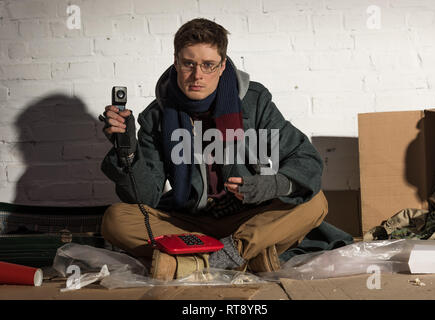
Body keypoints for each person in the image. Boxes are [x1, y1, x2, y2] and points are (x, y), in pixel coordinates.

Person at [100, 18, 328, 280]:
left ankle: (208, 257)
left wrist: (272, 185)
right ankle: (248, 255)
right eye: (189, 64)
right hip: (190, 221)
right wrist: (126, 149)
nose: (197, 75)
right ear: (176, 63)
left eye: (208, 65)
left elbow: (306, 159)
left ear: (222, 66)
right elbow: (146, 197)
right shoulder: (156, 116)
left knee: (315, 202)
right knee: (115, 219)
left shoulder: (254, 102)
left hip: (248, 216)